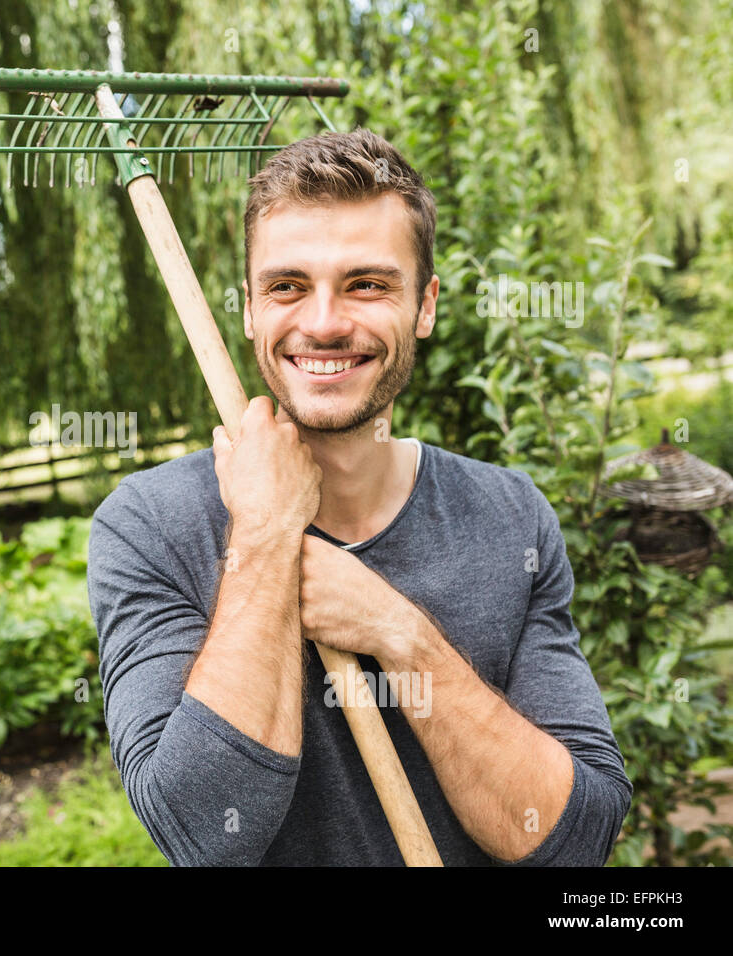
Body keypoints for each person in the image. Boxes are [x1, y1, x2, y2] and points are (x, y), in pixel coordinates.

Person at [87, 129, 631, 866]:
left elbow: (575, 842)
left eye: (366, 284)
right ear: (248, 309)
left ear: (426, 305)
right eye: (287, 286)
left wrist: (397, 632)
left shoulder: (510, 516)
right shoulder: (150, 526)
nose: (322, 323)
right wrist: (266, 537)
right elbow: (206, 835)